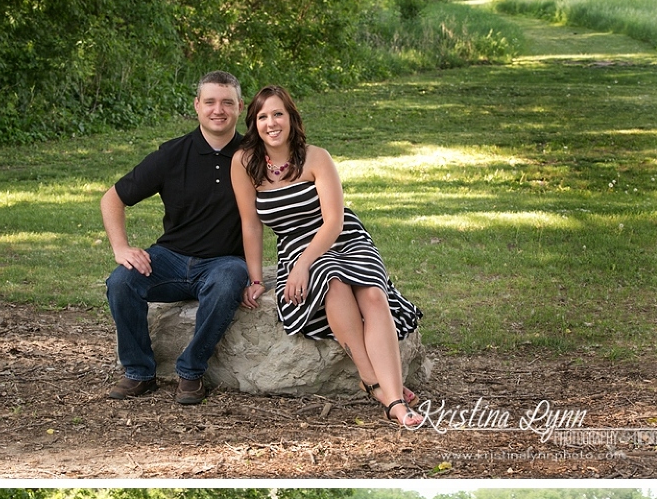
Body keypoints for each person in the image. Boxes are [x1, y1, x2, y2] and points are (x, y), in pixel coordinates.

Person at [231, 85, 423, 428]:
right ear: (254, 124)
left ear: (291, 118)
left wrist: (303, 265)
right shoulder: (244, 163)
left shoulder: (316, 157)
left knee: (373, 295)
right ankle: (373, 381)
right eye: (263, 117)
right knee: (332, 281)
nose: (271, 123)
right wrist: (256, 278)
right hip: (295, 245)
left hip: (344, 238)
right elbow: (251, 225)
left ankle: (393, 399)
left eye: (278, 114)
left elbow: (334, 221)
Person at [101, 71, 250, 404]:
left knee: (229, 279)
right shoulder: (172, 154)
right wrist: (121, 247)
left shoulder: (251, 156)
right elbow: (112, 198)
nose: (218, 110)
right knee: (121, 281)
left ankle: (191, 371)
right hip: (170, 259)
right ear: (197, 105)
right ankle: (139, 372)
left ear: (240, 107)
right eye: (210, 102)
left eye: (227, 102)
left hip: (223, 261)